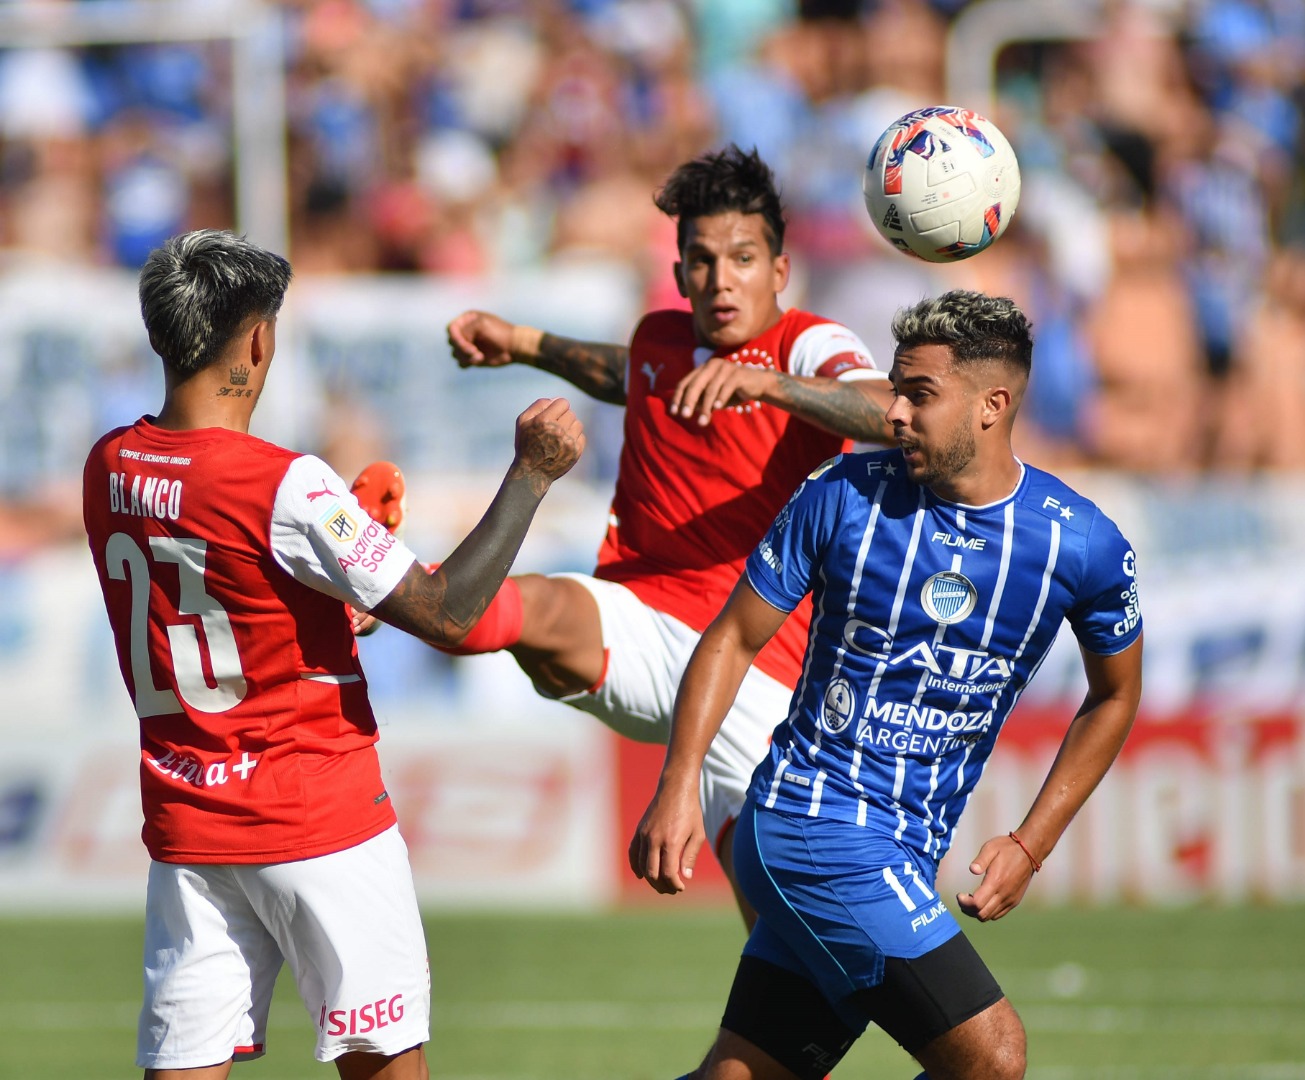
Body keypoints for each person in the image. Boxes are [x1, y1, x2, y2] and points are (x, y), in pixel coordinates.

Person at [81, 229, 585, 1080]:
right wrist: (532, 474)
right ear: (258, 341)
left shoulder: (110, 464)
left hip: (189, 827)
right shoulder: (284, 483)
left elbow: (223, 599)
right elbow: (448, 615)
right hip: (317, 818)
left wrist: (330, 602)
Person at [630, 290, 1144, 1080]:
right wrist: (678, 784)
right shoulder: (841, 495)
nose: (893, 412)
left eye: (919, 394)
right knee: (992, 1057)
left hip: (907, 845)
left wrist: (1031, 844)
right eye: (895, 390)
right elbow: (730, 637)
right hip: (811, 823)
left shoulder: (1080, 544)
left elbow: (1114, 695)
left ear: (991, 405)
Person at [438, 145, 892, 923]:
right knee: (526, 606)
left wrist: (768, 384)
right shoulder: (661, 339)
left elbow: (887, 411)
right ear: (679, 273)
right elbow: (629, 371)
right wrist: (521, 343)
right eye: (702, 261)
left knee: (787, 938)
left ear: (779, 270)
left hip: (757, 669)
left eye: (742, 259)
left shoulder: (808, 344)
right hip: (641, 617)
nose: (721, 280)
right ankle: (406, 598)